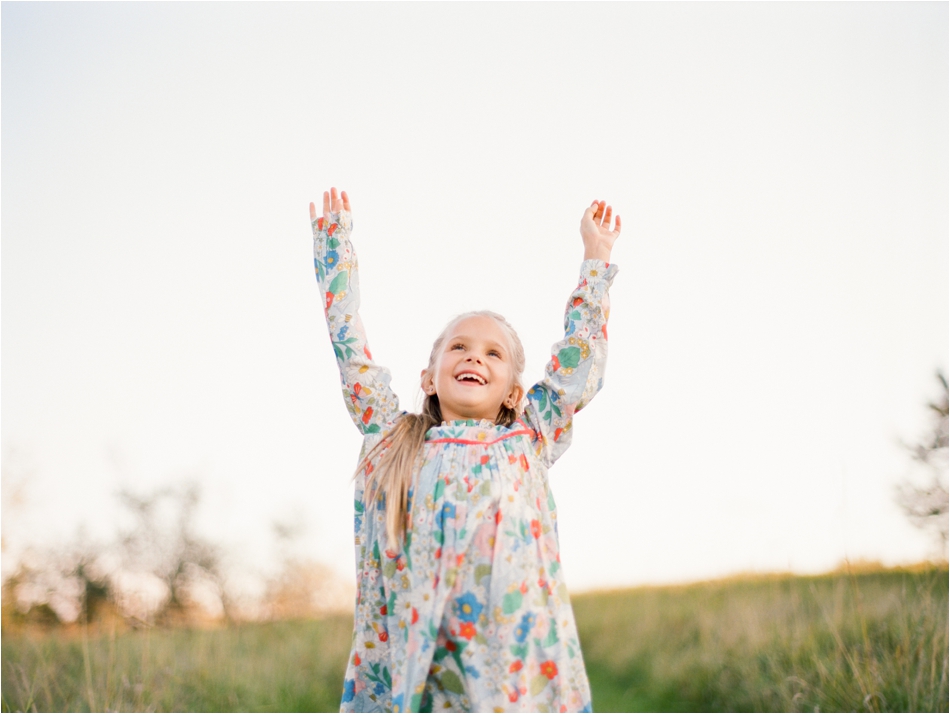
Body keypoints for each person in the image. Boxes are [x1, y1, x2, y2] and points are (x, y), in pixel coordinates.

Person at [309, 187, 621, 713]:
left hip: (514, 669)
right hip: (422, 668)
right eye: (459, 346)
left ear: (514, 393)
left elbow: (578, 365)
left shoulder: (526, 440)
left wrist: (596, 256)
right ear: (429, 377)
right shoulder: (395, 441)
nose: (474, 357)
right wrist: (334, 247)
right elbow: (350, 348)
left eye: (493, 353)